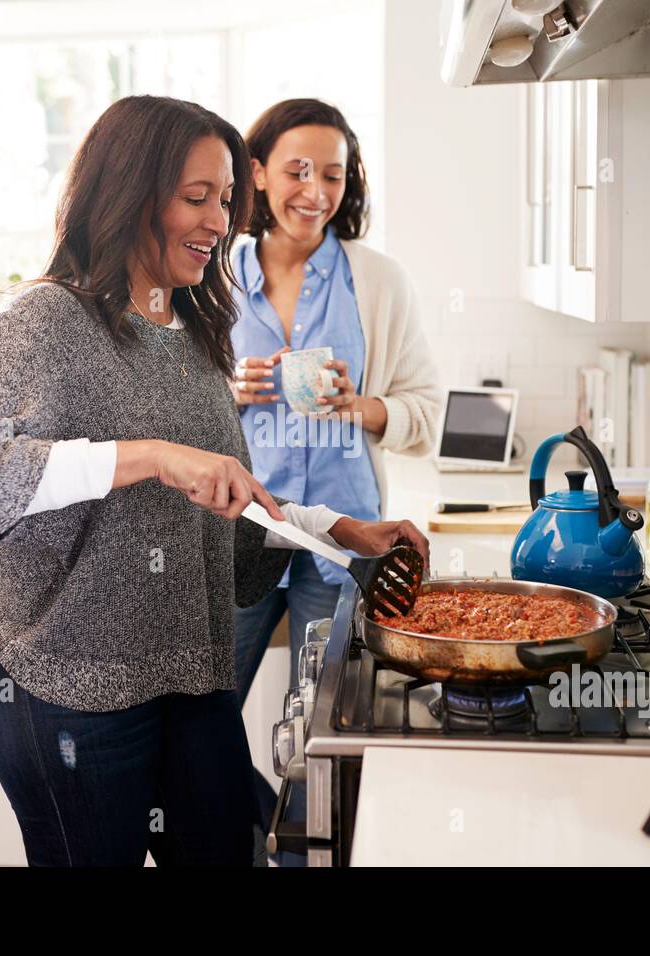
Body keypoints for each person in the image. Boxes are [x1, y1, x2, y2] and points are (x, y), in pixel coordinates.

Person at [0, 95, 427, 866]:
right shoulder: (45, 322)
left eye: (226, 200)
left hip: (188, 678)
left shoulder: (190, 334)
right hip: (70, 689)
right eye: (196, 198)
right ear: (128, 194)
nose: (219, 221)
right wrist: (150, 455)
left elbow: (219, 502)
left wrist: (333, 528)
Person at [228, 99, 441, 842]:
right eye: (296, 170)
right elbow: (168, 411)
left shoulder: (376, 280)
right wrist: (226, 391)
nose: (315, 190)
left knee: (325, 733)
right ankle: (261, 841)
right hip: (241, 531)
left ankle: (310, 854)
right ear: (255, 173)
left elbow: (425, 408)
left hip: (343, 540)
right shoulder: (210, 276)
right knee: (198, 718)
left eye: (333, 174)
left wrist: (361, 406)